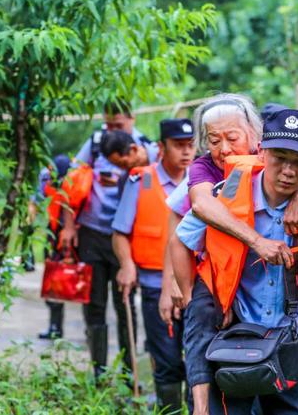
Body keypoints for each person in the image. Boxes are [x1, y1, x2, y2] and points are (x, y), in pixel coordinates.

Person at [164, 94, 298, 414]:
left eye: (232, 138)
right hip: (223, 282)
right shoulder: (206, 172)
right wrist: (254, 243)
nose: (224, 148)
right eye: (214, 140)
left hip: (291, 317)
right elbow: (197, 210)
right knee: (201, 324)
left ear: (255, 141)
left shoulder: (284, 159)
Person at [59, 99, 159, 379]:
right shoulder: (95, 143)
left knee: (125, 303)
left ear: (132, 119)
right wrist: (69, 226)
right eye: (109, 124)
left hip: (126, 240)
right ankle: (98, 371)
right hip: (92, 233)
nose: (113, 129)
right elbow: (71, 181)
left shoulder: (147, 149)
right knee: (94, 304)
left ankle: (130, 374)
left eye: (119, 124)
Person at [111, 118, 195, 412]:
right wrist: (126, 264)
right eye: (178, 145)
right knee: (168, 361)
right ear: (161, 147)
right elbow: (120, 232)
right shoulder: (140, 180)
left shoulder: (202, 182)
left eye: (190, 145)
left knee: (198, 362)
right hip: (152, 285)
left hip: (193, 286)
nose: (186, 152)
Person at [37, 154, 72, 340]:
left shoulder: (72, 190)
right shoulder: (51, 188)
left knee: (74, 287)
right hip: (53, 241)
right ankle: (54, 327)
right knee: (53, 287)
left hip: (68, 245)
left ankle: (56, 327)